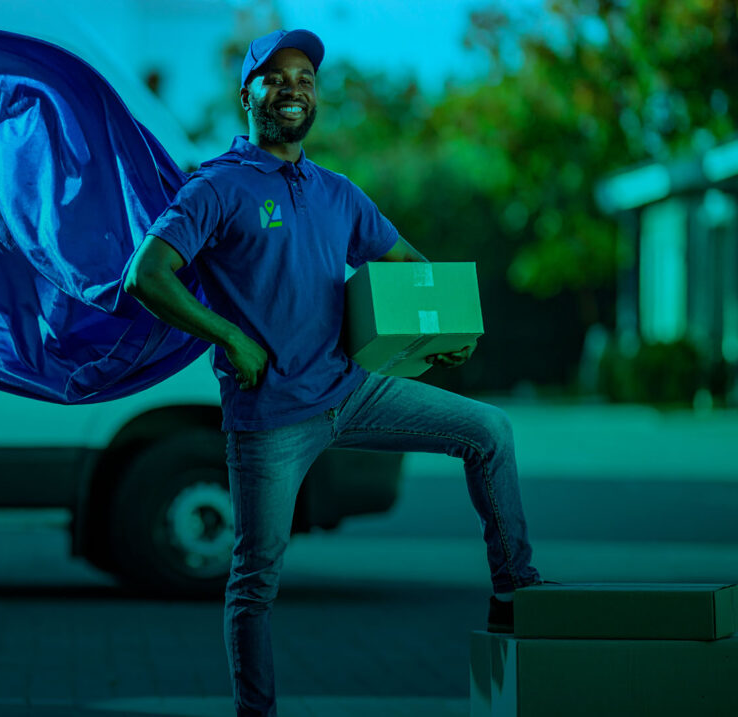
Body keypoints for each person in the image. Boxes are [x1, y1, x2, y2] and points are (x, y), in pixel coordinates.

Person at [123, 28, 543, 717]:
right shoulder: (218, 186)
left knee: (489, 431)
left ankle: (514, 590)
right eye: (277, 76)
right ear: (247, 93)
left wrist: (442, 327)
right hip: (270, 417)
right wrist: (229, 335)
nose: (293, 88)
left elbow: (405, 261)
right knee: (255, 581)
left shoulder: (336, 192)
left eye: (306, 78)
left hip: (354, 388)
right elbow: (148, 273)